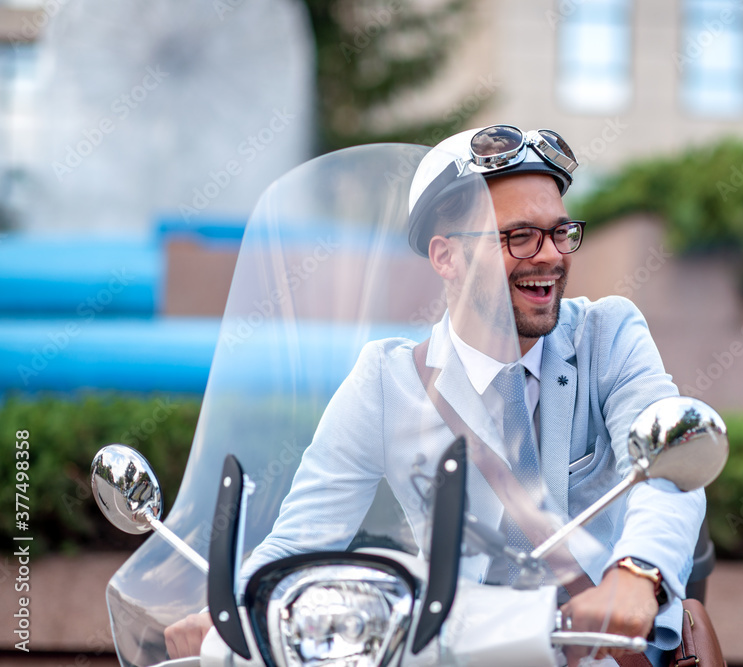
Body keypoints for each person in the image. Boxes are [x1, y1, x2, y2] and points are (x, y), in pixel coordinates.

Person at [165, 125, 705, 666]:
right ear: (446, 257)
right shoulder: (386, 382)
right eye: (519, 236)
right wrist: (228, 613)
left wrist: (637, 573)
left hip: (604, 653)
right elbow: (300, 539)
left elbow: (669, 465)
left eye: (560, 232)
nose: (550, 256)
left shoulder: (607, 335)